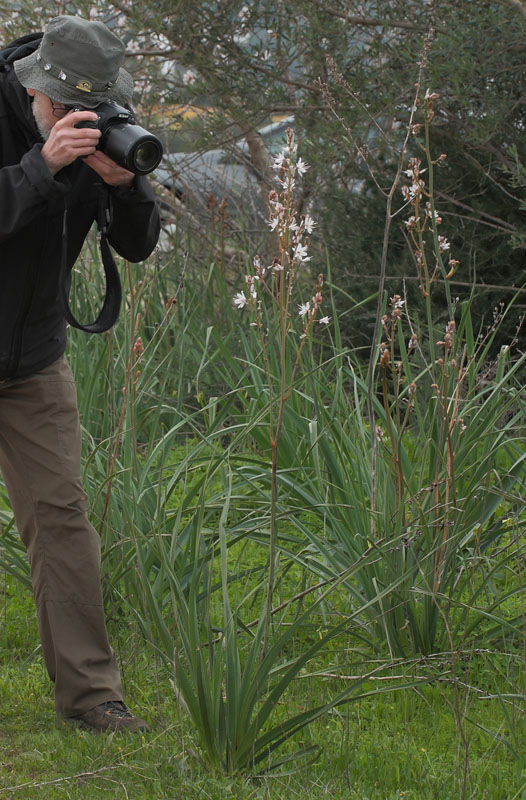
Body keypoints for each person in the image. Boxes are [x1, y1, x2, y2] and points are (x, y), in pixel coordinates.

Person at [0, 15, 161, 732]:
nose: (70, 118)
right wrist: (42, 167)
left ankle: (92, 696)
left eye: (83, 108)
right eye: (59, 106)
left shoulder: (107, 129)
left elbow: (138, 245)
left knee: (63, 522)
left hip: (32, 359)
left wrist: (124, 186)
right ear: (34, 87)